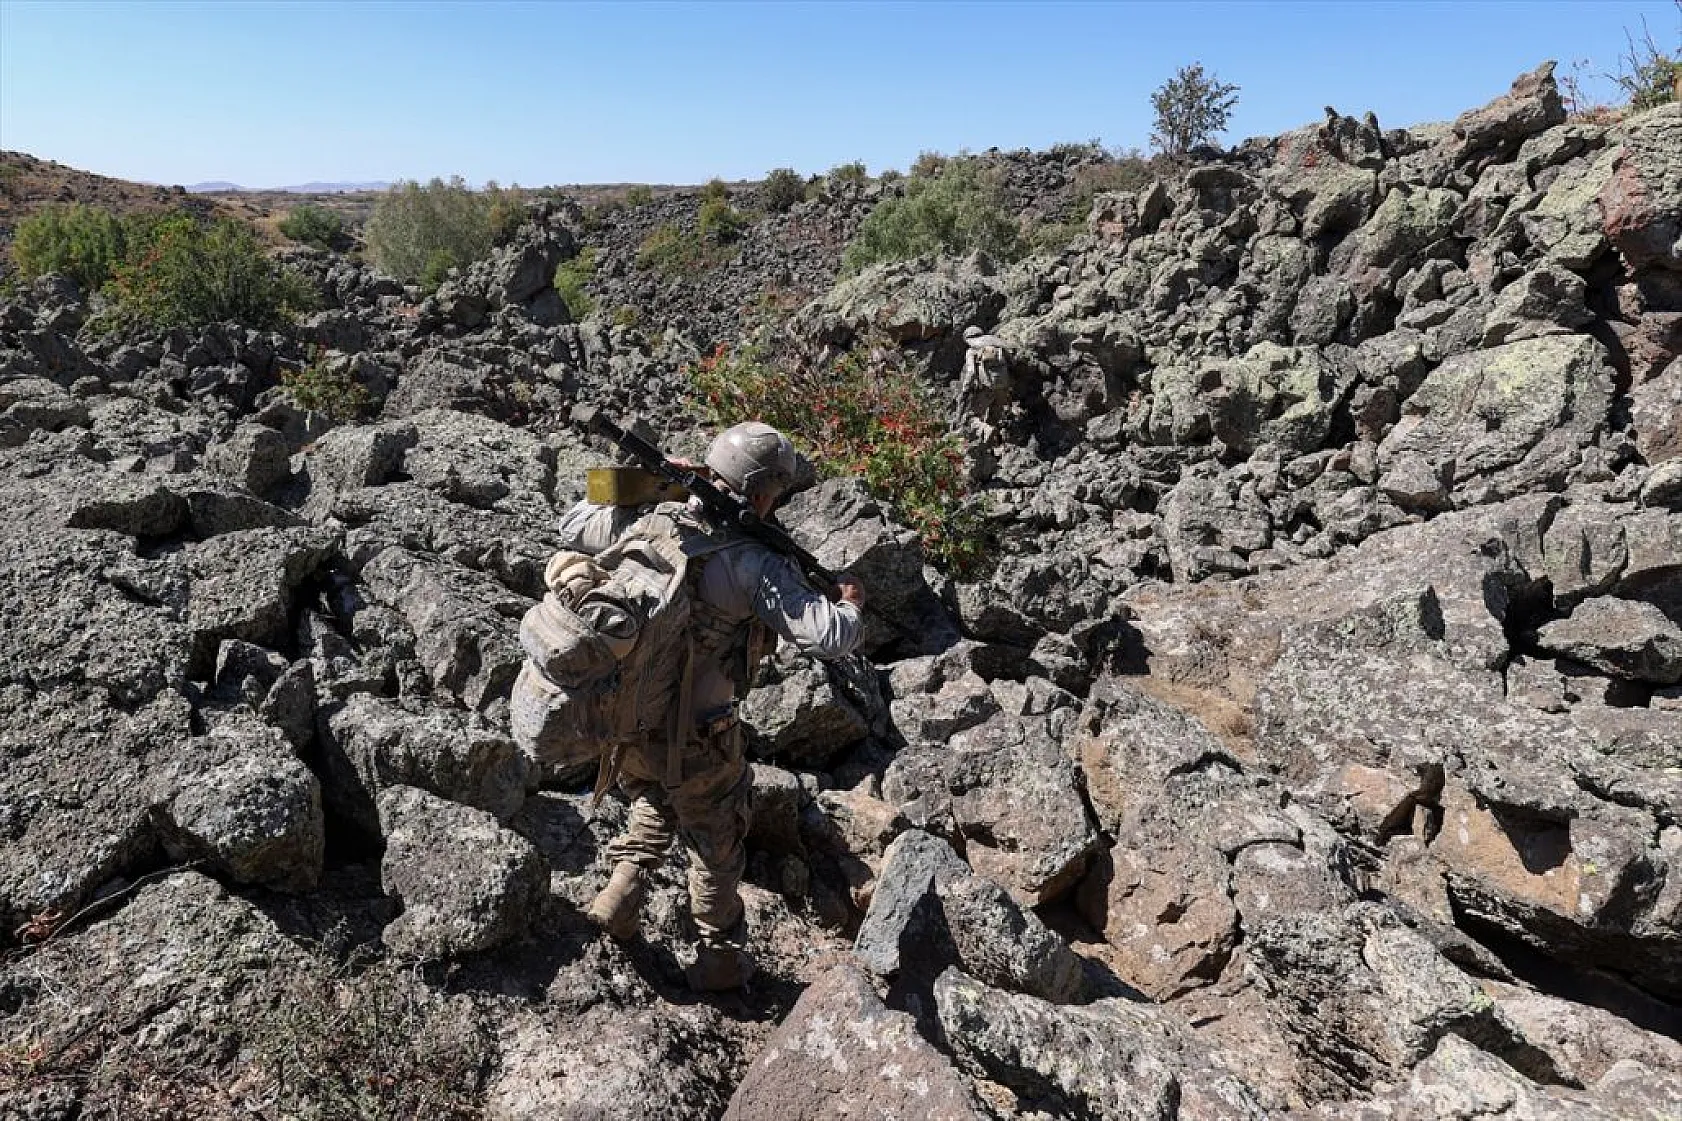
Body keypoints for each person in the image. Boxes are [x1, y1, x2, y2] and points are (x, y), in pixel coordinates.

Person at [555, 420, 865, 990]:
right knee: (716, 845)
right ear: (764, 492)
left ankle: (616, 905)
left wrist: (642, 487)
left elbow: (573, 520)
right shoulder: (755, 562)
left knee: (652, 802)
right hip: (703, 735)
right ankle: (720, 960)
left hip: (631, 720)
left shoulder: (656, 516)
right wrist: (849, 605)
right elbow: (829, 639)